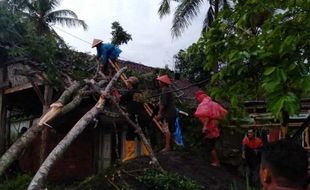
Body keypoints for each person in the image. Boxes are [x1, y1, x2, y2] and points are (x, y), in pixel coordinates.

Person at [119, 76, 149, 161]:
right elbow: (138, 104)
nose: (127, 84)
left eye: (128, 83)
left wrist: (116, 95)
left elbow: (120, 100)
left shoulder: (130, 93)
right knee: (142, 134)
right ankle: (147, 153)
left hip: (134, 117)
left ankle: (130, 155)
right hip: (142, 116)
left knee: (130, 135)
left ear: (131, 84)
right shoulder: (139, 93)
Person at [194, 90, 226, 167]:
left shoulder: (205, 105)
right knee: (210, 144)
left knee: (210, 145)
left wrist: (205, 127)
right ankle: (214, 160)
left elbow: (206, 116)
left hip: (209, 128)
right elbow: (223, 114)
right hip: (215, 127)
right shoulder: (215, 104)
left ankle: (216, 161)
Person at [156, 74, 176, 153]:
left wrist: (159, 113)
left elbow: (163, 104)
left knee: (167, 129)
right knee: (171, 129)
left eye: (159, 81)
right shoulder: (168, 90)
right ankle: (171, 146)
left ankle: (167, 146)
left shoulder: (164, 90)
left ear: (162, 82)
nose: (158, 83)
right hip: (172, 113)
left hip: (168, 113)